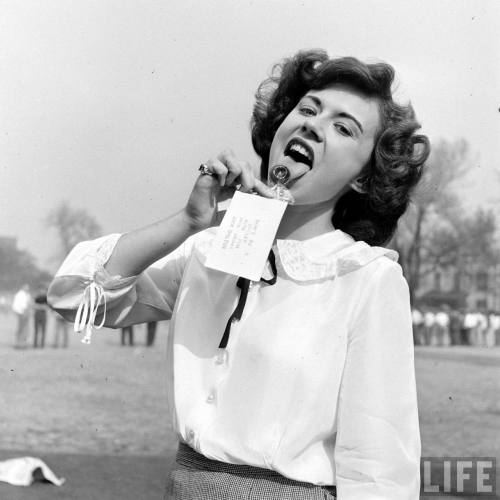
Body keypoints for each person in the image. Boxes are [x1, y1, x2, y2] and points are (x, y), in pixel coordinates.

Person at [48, 50, 429, 499]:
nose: (312, 124)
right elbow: (75, 297)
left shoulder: (365, 279)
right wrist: (190, 222)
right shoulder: (208, 249)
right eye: (307, 109)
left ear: (364, 178)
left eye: (344, 127)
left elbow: (379, 469)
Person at [12, 284, 31, 349]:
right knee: (21, 329)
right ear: (23, 287)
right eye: (26, 287)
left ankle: (23, 343)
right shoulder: (19, 295)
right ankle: (18, 344)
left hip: (26, 313)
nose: (27, 288)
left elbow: (29, 304)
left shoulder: (27, 295)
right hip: (21, 313)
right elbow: (15, 306)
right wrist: (21, 313)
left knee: (25, 330)